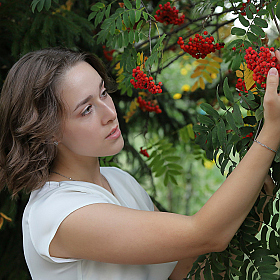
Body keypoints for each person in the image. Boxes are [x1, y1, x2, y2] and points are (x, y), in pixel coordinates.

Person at [0, 47, 279, 280]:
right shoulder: (58, 214)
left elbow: (191, 270)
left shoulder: (120, 180)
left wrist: (257, 203)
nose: (110, 113)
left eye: (104, 93)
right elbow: (206, 234)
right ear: (47, 131)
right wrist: (271, 130)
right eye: (86, 109)